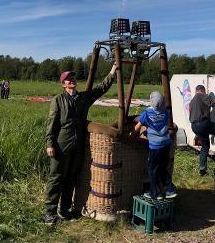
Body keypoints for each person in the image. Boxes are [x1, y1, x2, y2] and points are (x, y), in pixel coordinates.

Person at [44, 64, 117, 225]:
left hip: (78, 147)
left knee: (71, 179)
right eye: (68, 79)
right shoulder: (58, 100)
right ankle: (49, 212)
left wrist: (112, 70)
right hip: (61, 145)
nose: (72, 80)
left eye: (73, 78)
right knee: (56, 178)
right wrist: (50, 143)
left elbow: (101, 88)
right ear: (63, 84)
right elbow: (52, 123)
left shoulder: (83, 98)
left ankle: (64, 210)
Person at [133, 91, 177, 200]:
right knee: (162, 167)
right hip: (166, 144)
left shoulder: (147, 113)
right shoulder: (166, 112)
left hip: (155, 147)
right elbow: (164, 124)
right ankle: (170, 189)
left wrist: (131, 134)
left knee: (152, 169)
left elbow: (138, 127)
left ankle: (155, 194)